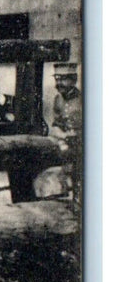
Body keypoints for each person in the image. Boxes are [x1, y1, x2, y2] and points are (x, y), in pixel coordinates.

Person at [50, 62, 82, 200]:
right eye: (57, 79)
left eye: (63, 79)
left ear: (73, 80)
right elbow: (56, 124)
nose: (59, 83)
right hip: (66, 142)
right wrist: (62, 135)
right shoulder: (58, 99)